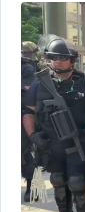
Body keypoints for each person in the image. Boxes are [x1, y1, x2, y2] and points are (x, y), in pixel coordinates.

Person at [22, 36, 85, 212]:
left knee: (79, 183)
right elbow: (27, 110)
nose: (57, 61)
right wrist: (33, 135)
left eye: (62, 57)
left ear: (72, 60)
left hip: (77, 143)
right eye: (53, 57)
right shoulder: (39, 83)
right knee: (58, 181)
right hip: (51, 144)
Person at [21, 42, 40, 202]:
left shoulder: (29, 68)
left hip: (26, 113)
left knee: (27, 151)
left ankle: (30, 188)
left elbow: (28, 90)